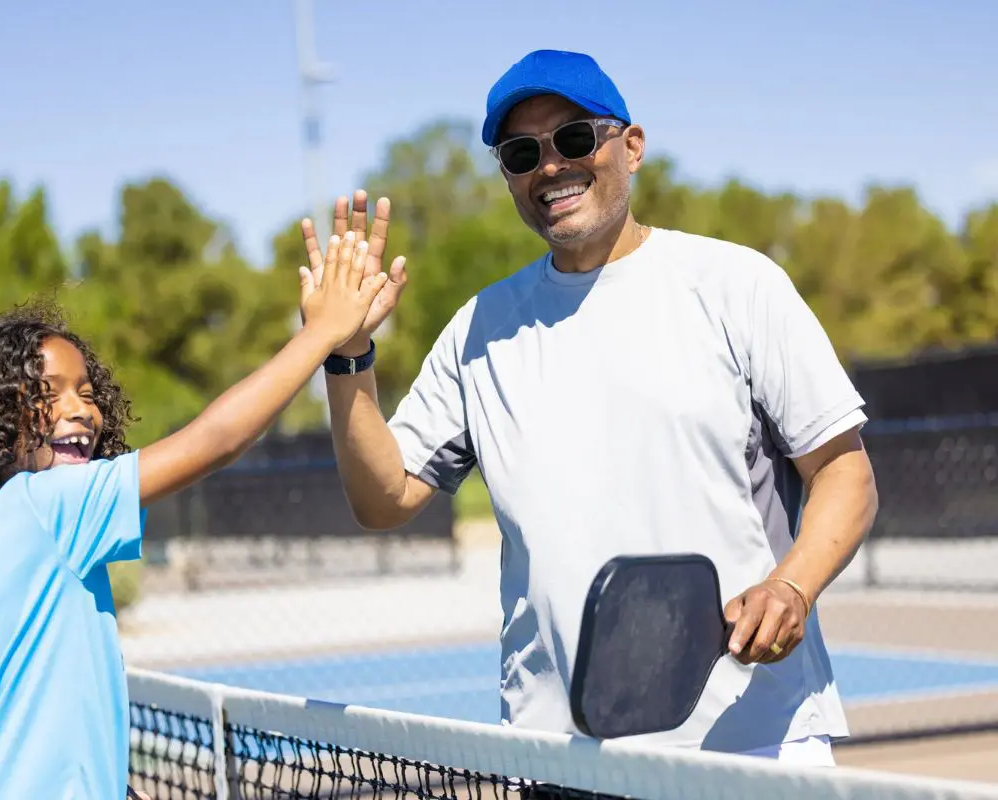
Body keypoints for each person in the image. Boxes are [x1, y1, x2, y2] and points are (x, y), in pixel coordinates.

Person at [301, 49, 878, 765]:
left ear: (630, 147)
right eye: (521, 153)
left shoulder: (736, 286)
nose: (550, 167)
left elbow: (845, 475)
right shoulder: (481, 328)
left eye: (575, 138)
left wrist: (792, 584)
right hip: (561, 754)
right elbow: (384, 499)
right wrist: (345, 353)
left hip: (752, 739)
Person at [0, 231, 388, 798]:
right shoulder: (48, 507)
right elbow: (218, 439)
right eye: (47, 393)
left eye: (85, 390)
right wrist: (324, 333)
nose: (79, 408)